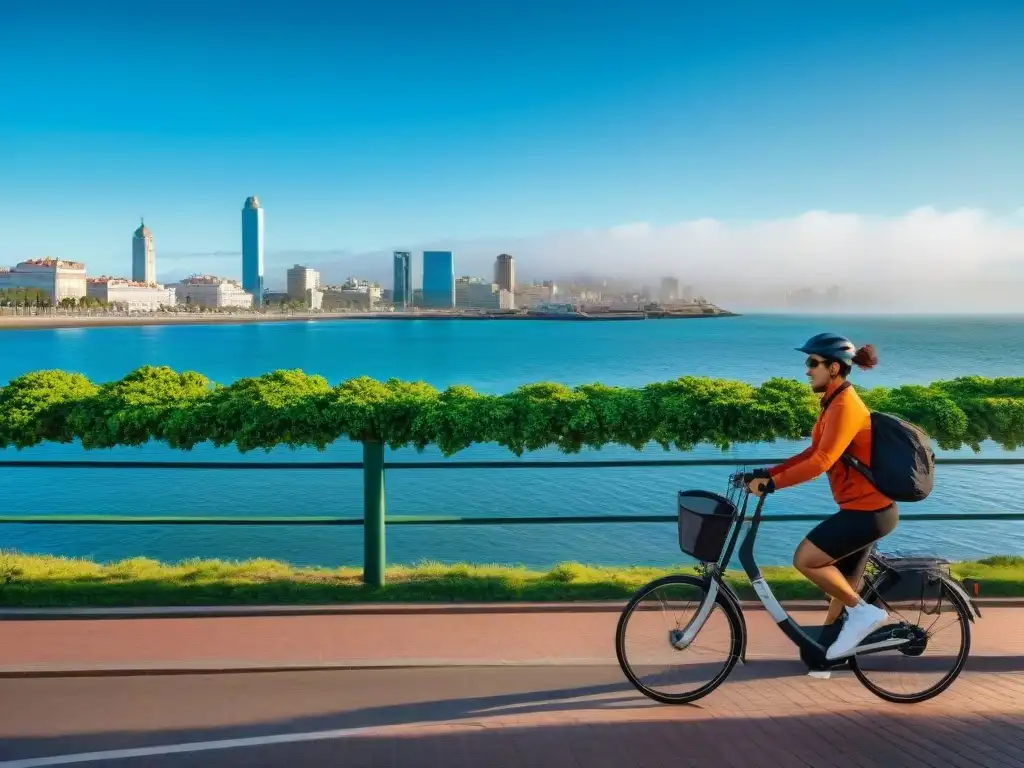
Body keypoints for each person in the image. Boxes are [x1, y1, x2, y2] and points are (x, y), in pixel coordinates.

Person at [747, 333, 897, 662]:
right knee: (840, 589)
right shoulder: (833, 401)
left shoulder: (845, 405)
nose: (806, 370)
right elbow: (812, 451)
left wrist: (774, 485)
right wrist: (769, 473)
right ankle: (830, 652)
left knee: (806, 559)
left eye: (812, 363)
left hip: (867, 512)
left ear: (833, 368)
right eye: (807, 363)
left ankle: (864, 613)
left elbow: (821, 461)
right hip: (861, 508)